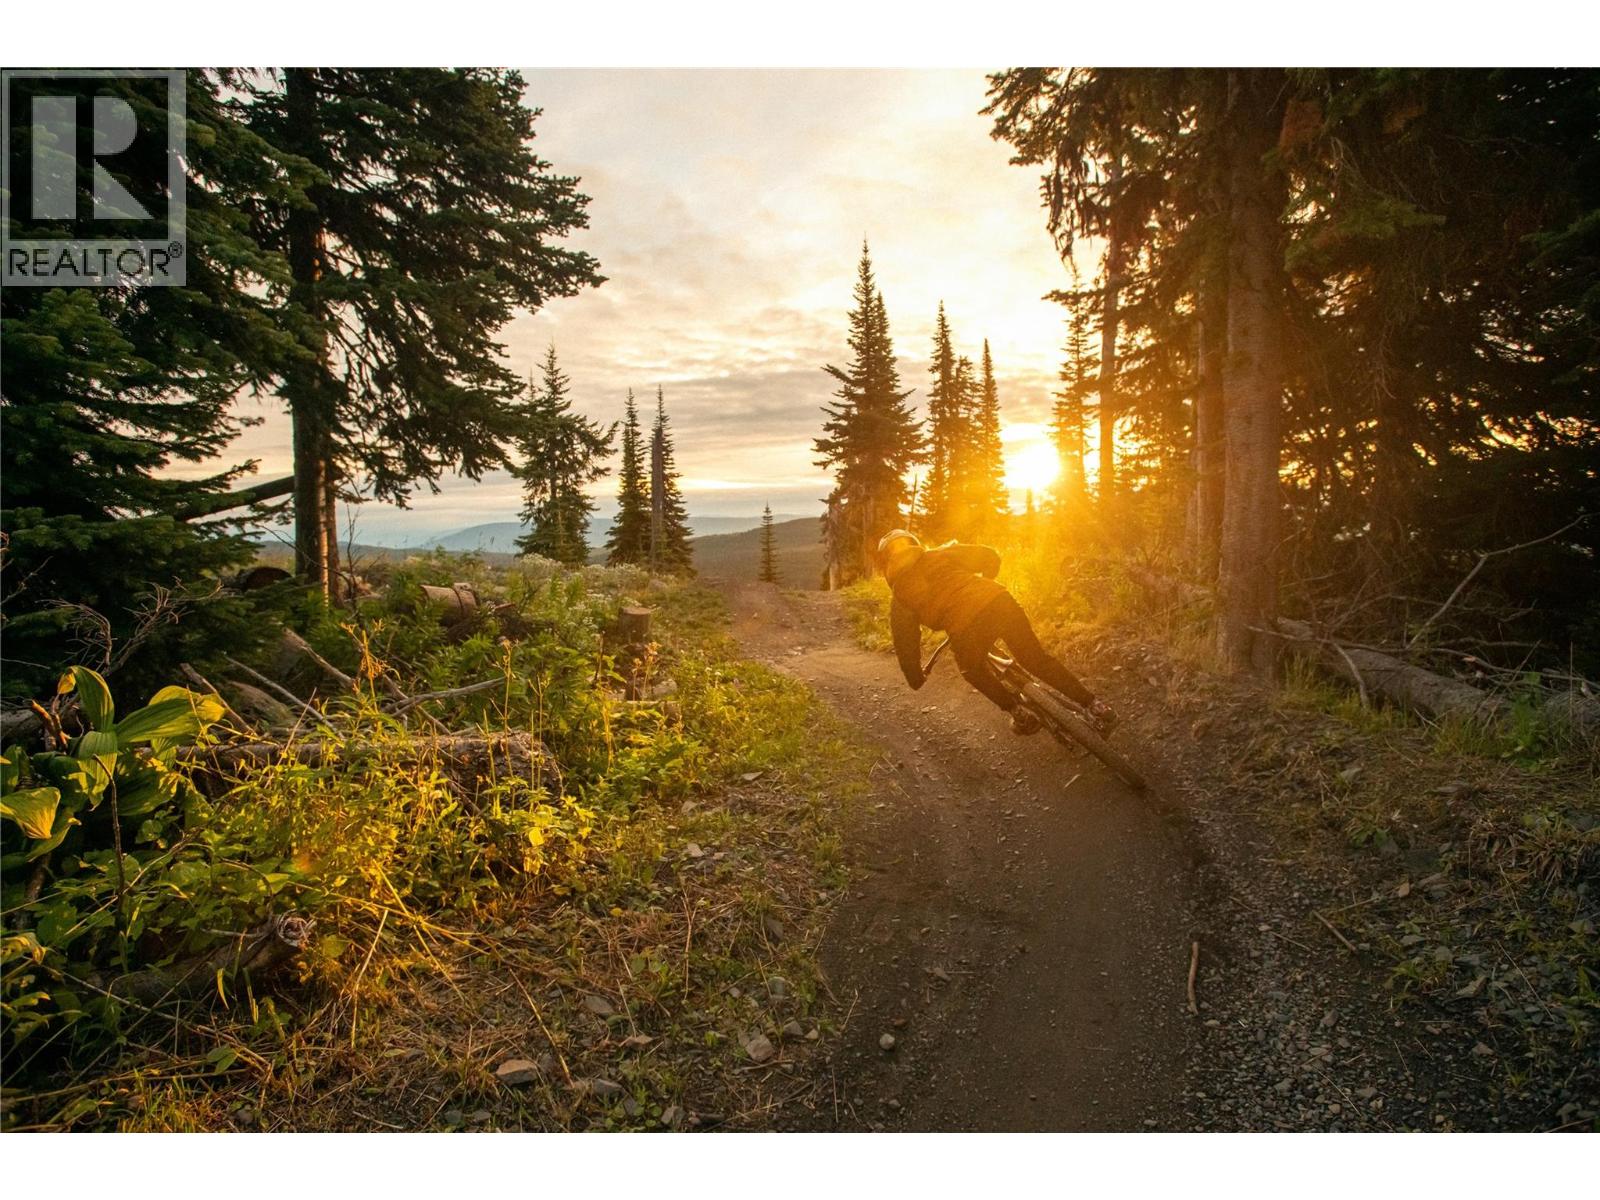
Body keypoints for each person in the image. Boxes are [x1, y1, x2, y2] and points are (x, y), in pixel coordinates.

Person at [876, 529, 1116, 736]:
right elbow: (989, 556)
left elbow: (905, 643)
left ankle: (1019, 713)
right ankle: (1095, 706)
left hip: (965, 628)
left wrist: (915, 678)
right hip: (999, 602)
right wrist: (985, 584)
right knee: (1036, 659)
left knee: (972, 671)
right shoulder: (940, 554)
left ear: (886, 563)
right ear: (915, 544)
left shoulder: (900, 597)